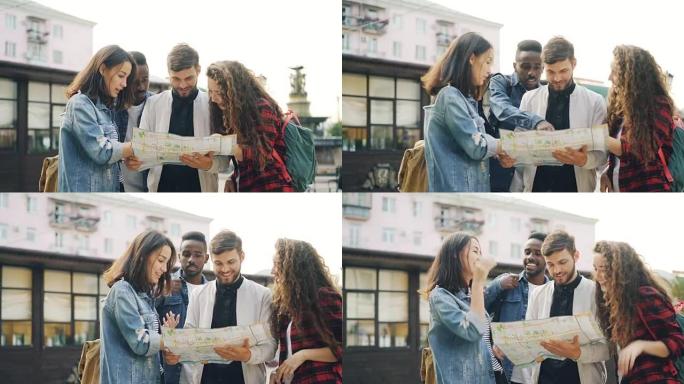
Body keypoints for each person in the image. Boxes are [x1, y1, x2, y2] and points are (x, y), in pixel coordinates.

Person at [178, 230, 277, 384]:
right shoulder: (198, 294)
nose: (224, 269)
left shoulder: (262, 295)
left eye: (231, 262)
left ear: (242, 257)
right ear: (211, 260)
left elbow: (270, 347)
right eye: (218, 263)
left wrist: (247, 355)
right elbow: (189, 337)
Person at [421, 32, 514, 192]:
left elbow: (470, 147)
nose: (490, 70)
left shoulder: (466, 100)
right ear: (471, 59)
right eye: (487, 61)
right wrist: (506, 145)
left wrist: (497, 154)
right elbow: (476, 147)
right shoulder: (450, 97)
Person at [513, 37, 607, 192]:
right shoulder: (529, 99)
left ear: (574, 64)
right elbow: (518, 146)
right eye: (550, 72)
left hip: (576, 188)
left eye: (563, 71)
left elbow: (602, 153)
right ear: (543, 67)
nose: (557, 78)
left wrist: (584, 160)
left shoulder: (595, 102)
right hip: (536, 188)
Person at [136, 43, 228, 192]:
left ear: (198, 70)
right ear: (168, 73)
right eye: (176, 79)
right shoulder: (153, 104)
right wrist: (136, 160)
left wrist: (209, 164)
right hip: (160, 190)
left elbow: (225, 160)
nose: (183, 85)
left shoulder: (214, 105)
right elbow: (141, 151)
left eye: (189, 78)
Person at [593, 241, 684, 383]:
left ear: (620, 269)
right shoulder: (618, 303)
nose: (597, 276)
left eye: (603, 269)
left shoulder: (644, 295)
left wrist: (640, 346)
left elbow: (677, 342)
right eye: (595, 269)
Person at [525, 230, 609, 384]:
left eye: (562, 262)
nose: (556, 270)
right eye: (550, 264)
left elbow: (608, 348)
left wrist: (578, 353)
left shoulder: (596, 293)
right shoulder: (538, 294)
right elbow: (529, 341)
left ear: (576, 256)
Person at [100, 230, 180, 384]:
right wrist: (172, 340)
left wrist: (166, 335)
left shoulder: (145, 297)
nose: (164, 269)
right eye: (161, 260)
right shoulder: (122, 291)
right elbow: (141, 342)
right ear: (143, 256)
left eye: (166, 263)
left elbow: (149, 349)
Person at [423, 232, 503, 384]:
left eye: (480, 252)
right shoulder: (440, 297)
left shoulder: (472, 295)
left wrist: (495, 347)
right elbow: (472, 331)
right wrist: (478, 282)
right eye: (475, 251)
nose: (479, 257)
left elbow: (480, 340)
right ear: (454, 254)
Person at [57, 45, 137, 192]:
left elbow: (105, 155)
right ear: (102, 69)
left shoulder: (106, 110)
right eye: (121, 75)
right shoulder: (79, 104)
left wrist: (124, 157)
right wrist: (135, 147)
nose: (125, 84)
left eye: (127, 78)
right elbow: (102, 152)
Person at [206, 61, 294, 192]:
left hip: (272, 189)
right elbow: (246, 162)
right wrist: (233, 177)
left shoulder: (262, 107)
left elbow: (261, 157)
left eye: (219, 92)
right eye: (211, 91)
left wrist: (223, 144)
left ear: (234, 90)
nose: (213, 98)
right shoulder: (234, 113)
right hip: (250, 189)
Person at [603, 45, 675, 192]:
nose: (609, 77)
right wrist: (608, 173)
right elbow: (618, 154)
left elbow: (638, 150)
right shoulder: (621, 107)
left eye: (614, 72)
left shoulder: (659, 105)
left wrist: (596, 137)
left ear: (630, 75)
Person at [270, 239, 343, 384]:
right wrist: (279, 374)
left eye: (277, 264)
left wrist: (303, 355)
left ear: (293, 267)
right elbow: (289, 356)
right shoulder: (286, 308)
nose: (273, 271)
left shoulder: (324, 297)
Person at [486, 40, 553, 192]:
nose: (532, 73)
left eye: (537, 67)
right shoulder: (500, 82)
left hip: (531, 173)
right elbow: (502, 109)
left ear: (543, 68)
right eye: (525, 66)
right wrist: (535, 121)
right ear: (514, 66)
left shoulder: (546, 94)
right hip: (500, 170)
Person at [485, 232, 549, 383]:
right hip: (508, 374)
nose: (530, 257)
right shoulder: (507, 283)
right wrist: (498, 285)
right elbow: (480, 309)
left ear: (547, 258)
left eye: (538, 253)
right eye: (527, 252)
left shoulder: (553, 291)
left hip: (540, 375)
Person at [156, 231, 210, 384]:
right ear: (179, 256)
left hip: (202, 375)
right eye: (186, 254)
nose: (191, 259)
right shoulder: (164, 285)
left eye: (198, 255)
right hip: (170, 375)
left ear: (206, 258)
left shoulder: (213, 292)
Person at [113, 51, 153, 192]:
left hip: (150, 189)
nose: (141, 87)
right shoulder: (111, 107)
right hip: (118, 189)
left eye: (145, 80)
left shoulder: (158, 106)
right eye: (135, 82)